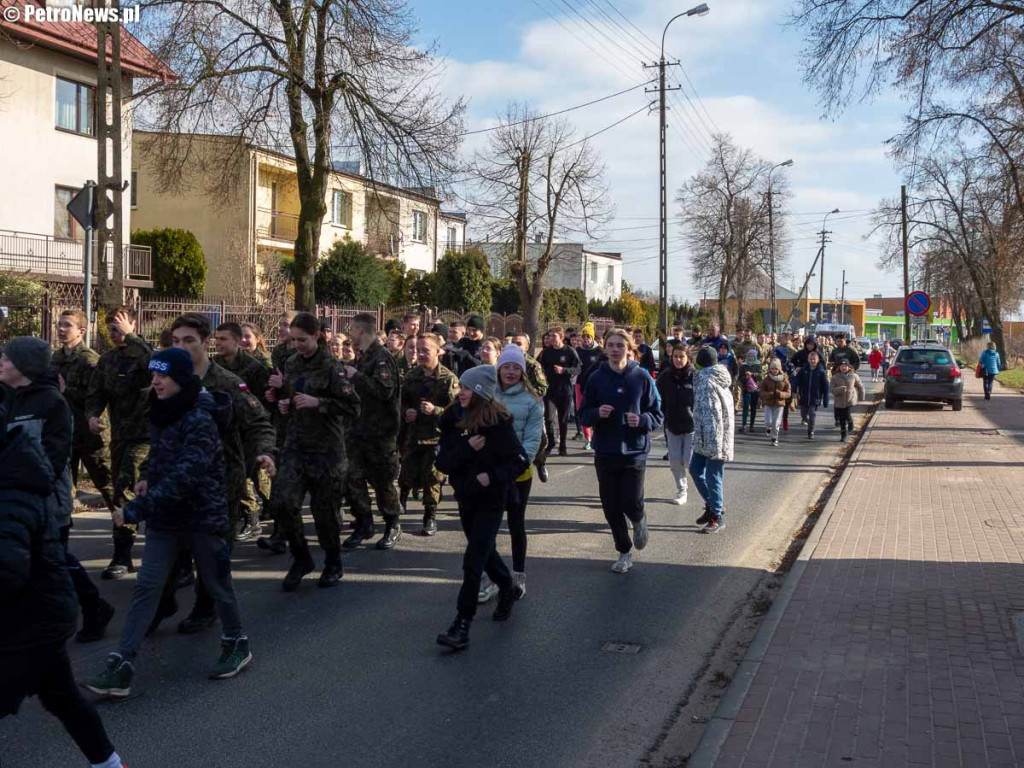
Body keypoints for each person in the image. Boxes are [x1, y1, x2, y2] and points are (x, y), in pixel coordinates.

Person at [84, 348, 252, 698]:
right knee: (147, 587)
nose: (155, 382)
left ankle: (236, 642)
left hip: (202, 517)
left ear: (182, 378)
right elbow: (158, 453)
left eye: (163, 376)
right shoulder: (161, 409)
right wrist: (146, 475)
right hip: (166, 518)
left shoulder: (200, 417)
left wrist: (134, 510)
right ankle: (123, 662)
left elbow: (188, 475)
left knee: (216, 583)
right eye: (154, 375)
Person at [0, 426, 126, 768]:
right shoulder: (14, 469)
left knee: (63, 698)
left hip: (30, 622)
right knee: (64, 698)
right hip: (39, 616)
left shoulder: (9, 488)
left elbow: (8, 569)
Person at [2, 337, 114, 644]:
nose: (1, 362)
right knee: (41, 564)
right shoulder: (7, 398)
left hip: (46, 502)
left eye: (7, 358)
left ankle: (91, 607)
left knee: (54, 564)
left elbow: (54, 457)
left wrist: (22, 484)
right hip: (14, 501)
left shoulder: (52, 403)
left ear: (24, 366)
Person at [434, 365, 530, 651]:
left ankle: (462, 625)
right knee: (485, 553)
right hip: (465, 497)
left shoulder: (497, 422)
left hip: (491, 499)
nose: (460, 392)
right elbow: (442, 463)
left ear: (480, 392)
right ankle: (509, 588)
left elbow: (520, 460)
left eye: (466, 388)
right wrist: (467, 449)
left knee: (473, 561)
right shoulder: (451, 418)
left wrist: (492, 476)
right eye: (460, 386)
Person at [265, 312, 360, 591]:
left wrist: (318, 402)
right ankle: (301, 558)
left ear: (317, 336)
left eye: (303, 340)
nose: (297, 345)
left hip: (326, 451)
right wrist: (282, 402)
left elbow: (353, 407)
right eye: (293, 340)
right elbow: (292, 397)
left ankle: (333, 563)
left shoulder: (332, 366)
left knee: (325, 514)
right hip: (295, 446)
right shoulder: (291, 363)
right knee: (282, 503)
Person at [579, 329, 664, 573]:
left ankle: (639, 519)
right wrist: (597, 414)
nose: (615, 349)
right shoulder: (596, 378)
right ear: (605, 349)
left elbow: (657, 414)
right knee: (611, 506)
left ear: (629, 348)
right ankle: (624, 551)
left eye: (620, 345)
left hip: (634, 452)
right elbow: (583, 414)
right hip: (605, 450)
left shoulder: (642, 377)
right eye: (611, 345)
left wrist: (642, 420)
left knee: (630, 501)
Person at [85, 307, 151, 580]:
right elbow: (96, 391)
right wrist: (92, 415)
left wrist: (132, 338)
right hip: (120, 437)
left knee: (124, 491)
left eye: (119, 328)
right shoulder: (108, 360)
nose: (113, 334)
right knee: (121, 492)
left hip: (147, 437)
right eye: (110, 328)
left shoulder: (146, 354)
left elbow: (160, 365)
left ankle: (122, 557)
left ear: (133, 325)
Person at [479, 344, 544, 603]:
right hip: (490, 472)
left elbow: (532, 441)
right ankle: (490, 578)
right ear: (499, 368)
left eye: (516, 367)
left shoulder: (532, 401)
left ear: (523, 371)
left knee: (516, 524)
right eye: (506, 366)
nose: (511, 371)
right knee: (487, 528)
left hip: (518, 474)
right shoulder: (486, 394)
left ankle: (518, 577)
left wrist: (513, 466)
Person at [341, 313, 404, 546]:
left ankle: (392, 524)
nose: (350, 335)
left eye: (351, 330)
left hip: (380, 433)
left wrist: (356, 377)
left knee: (382, 482)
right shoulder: (362, 357)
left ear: (360, 330)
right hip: (358, 431)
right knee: (353, 477)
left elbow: (384, 391)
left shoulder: (381, 357)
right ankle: (364, 523)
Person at [51, 309, 116, 512]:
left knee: (107, 485)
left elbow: (97, 398)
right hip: (64, 433)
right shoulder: (56, 357)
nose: (61, 329)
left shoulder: (89, 360)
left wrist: (65, 391)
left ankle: (124, 524)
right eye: (59, 324)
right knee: (62, 489)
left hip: (90, 436)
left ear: (81, 331)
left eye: (67, 325)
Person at [398, 333, 460, 528]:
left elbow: (457, 411)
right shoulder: (411, 376)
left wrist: (436, 411)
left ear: (437, 352)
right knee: (407, 473)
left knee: (432, 478)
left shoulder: (448, 378)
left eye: (426, 350)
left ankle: (429, 516)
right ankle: (402, 501)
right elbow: (401, 402)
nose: (421, 354)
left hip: (436, 437)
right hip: (413, 436)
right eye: (418, 350)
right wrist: (406, 412)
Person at [690, 347, 734, 534]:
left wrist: (713, 442)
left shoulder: (708, 381)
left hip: (715, 437)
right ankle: (712, 504)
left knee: (713, 475)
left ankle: (717, 516)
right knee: (695, 469)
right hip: (703, 436)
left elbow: (714, 414)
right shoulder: (707, 377)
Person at [656, 343, 695, 505]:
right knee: (674, 460)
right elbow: (656, 398)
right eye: (676, 356)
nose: (678, 360)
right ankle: (682, 490)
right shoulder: (665, 377)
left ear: (688, 358)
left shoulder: (695, 376)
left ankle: (695, 481)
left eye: (682, 356)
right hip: (672, 425)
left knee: (688, 461)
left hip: (692, 426)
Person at [538, 326, 581, 457]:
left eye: (554, 336)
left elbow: (578, 369)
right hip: (550, 390)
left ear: (561, 337)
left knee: (563, 419)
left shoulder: (569, 351)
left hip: (565, 390)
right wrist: (541, 375)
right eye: (549, 336)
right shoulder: (546, 352)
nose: (550, 339)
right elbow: (538, 366)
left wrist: (564, 370)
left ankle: (562, 445)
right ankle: (551, 442)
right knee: (548, 418)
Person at [575, 323, 603, 451]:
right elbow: (573, 367)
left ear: (592, 338)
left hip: (596, 385)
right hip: (580, 384)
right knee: (582, 411)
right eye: (584, 336)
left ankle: (597, 436)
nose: (586, 339)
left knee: (596, 411)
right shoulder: (578, 351)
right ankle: (588, 439)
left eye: (588, 336)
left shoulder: (599, 351)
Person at [794, 350, 829, 439]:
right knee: (803, 413)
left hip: (815, 397)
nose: (812, 361)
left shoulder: (821, 371)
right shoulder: (804, 369)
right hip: (804, 395)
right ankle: (806, 420)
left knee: (812, 413)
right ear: (808, 359)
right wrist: (794, 388)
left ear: (817, 360)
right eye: (811, 359)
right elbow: (797, 379)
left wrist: (825, 398)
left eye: (814, 359)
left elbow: (825, 385)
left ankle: (811, 431)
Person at [829, 359, 865, 441]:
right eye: (842, 366)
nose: (844, 368)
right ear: (839, 367)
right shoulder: (835, 377)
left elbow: (860, 386)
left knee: (847, 413)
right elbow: (831, 389)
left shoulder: (853, 376)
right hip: (839, 401)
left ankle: (850, 421)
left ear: (849, 367)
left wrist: (861, 396)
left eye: (845, 366)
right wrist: (839, 390)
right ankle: (843, 434)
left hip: (850, 399)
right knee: (841, 418)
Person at [759, 358, 791, 447]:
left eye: (776, 369)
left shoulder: (784, 379)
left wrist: (780, 394)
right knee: (768, 421)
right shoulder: (766, 379)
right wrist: (768, 394)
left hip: (779, 404)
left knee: (776, 423)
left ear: (779, 369)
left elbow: (788, 392)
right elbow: (761, 391)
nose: (774, 370)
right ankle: (768, 428)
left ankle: (774, 438)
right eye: (772, 368)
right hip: (768, 403)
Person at [738, 348, 763, 433]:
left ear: (755, 356)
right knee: (745, 406)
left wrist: (752, 375)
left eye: (752, 356)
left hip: (755, 389)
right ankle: (744, 425)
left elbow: (761, 376)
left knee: (753, 407)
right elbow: (739, 377)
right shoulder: (744, 365)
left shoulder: (758, 364)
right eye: (749, 356)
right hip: (746, 389)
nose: (751, 357)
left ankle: (751, 425)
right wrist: (745, 378)